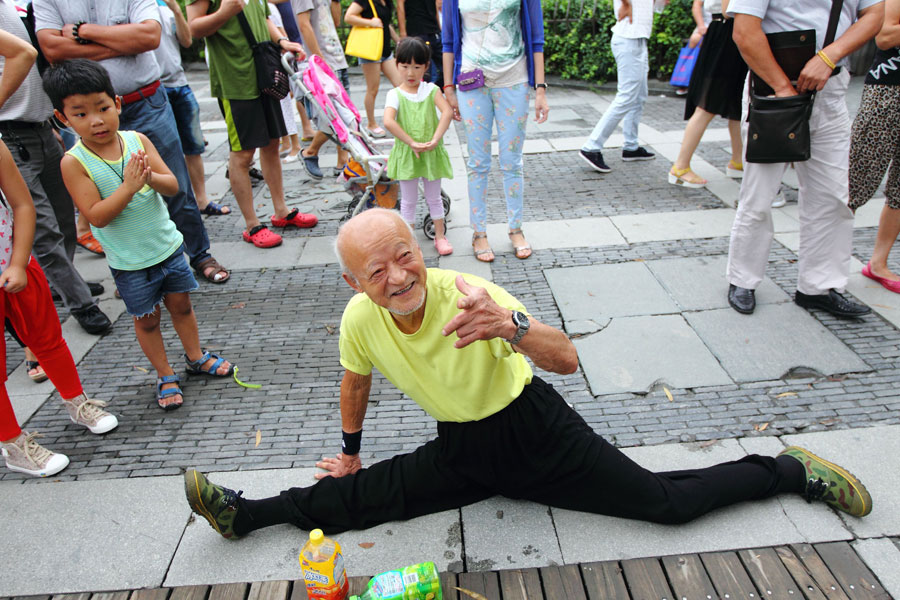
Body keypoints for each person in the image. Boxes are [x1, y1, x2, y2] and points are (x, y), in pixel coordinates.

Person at [183, 208, 872, 540]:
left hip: (538, 432)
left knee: (665, 504)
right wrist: (351, 453)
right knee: (366, 496)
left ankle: (788, 470)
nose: (398, 276)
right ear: (352, 282)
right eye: (377, 271)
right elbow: (355, 382)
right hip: (463, 447)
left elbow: (568, 360)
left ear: (418, 247)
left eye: (404, 255)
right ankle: (244, 515)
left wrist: (512, 329)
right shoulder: (360, 320)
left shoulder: (472, 295)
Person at [45, 59, 236, 410]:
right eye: (81, 114)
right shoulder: (74, 162)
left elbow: (173, 185)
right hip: (130, 262)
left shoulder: (137, 140)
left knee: (182, 305)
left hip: (166, 248)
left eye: (103, 108)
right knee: (147, 320)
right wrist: (130, 187)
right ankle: (165, 374)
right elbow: (96, 217)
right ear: (63, 119)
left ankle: (195, 357)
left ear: (117, 103)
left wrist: (146, 178)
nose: (97, 120)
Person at [34, 0, 232, 284]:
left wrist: (82, 32)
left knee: (174, 185)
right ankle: (135, 269)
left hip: (145, 102)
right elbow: (53, 49)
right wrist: (123, 43)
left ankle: (199, 254)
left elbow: (149, 37)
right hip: (86, 117)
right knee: (110, 195)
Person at [725, 0, 883, 317]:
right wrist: (784, 88)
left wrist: (829, 56)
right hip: (773, 88)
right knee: (759, 194)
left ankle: (819, 286)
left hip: (832, 85)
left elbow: (875, 14)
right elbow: (744, 31)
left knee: (833, 197)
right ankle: (743, 278)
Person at [0, 134, 118, 478]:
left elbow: (22, 205)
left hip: (13, 262)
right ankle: (13, 444)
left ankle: (76, 402)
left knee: (47, 339)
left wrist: (19, 262)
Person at [0, 10, 112, 335]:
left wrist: (49, 122)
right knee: (42, 226)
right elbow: (25, 54)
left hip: (40, 127)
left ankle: (64, 282)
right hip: (9, 133)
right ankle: (81, 304)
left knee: (64, 218)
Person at [186, 0, 318, 250]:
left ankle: (281, 211)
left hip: (264, 71)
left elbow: (264, 17)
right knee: (243, 153)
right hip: (235, 80)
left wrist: (281, 41)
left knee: (272, 143)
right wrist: (225, 12)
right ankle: (252, 225)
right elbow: (194, 27)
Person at [442, 0, 548, 262]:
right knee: (478, 163)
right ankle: (479, 233)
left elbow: (536, 39)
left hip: (514, 81)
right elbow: (448, 41)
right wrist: (447, 88)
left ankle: (516, 229)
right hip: (470, 83)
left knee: (512, 161)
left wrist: (541, 88)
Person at [155, 0, 230, 216]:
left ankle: (201, 200)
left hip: (178, 82)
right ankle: (169, 208)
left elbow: (187, 40)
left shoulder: (163, 5)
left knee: (194, 145)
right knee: (163, 149)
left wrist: (176, 10)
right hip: (154, 89)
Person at [383, 37, 453, 254]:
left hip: (431, 152)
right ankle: (409, 242)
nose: (410, 73)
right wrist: (410, 142)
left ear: (426, 66)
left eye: (416, 67)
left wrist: (436, 139)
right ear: (397, 65)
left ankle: (440, 236)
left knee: (434, 197)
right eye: (405, 67)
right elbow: (388, 120)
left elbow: (447, 112)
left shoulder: (431, 90)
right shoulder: (395, 94)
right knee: (409, 200)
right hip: (407, 153)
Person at [850, 0, 900, 293]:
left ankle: (878, 263)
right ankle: (825, 263)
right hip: (888, 91)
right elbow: (885, 36)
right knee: (855, 181)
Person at [668, 0, 746, 189]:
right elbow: (728, 11)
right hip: (728, 33)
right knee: (708, 104)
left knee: (736, 103)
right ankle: (680, 166)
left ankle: (738, 161)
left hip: (724, 31)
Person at [579, 0, 656, 174]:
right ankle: (592, 146)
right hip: (629, 38)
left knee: (639, 96)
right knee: (627, 97)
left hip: (638, 38)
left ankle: (631, 147)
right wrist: (626, 4)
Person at [291, 0, 351, 179]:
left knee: (344, 115)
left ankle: (343, 160)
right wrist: (321, 61)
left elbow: (335, 21)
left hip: (337, 58)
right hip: (322, 63)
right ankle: (310, 152)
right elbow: (304, 25)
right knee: (334, 117)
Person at [345, 0, 401, 137]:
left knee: (401, 85)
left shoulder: (385, 2)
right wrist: (370, 23)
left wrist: (398, 40)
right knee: (373, 89)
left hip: (385, 50)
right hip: (370, 50)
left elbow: (385, 23)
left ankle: (404, 119)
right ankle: (371, 124)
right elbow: (348, 17)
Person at [265, 2, 303, 164]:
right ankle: (287, 142)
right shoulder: (267, 7)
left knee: (284, 106)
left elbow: (282, 34)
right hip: (273, 61)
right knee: (280, 107)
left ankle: (295, 145)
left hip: (276, 63)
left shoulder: (270, 8)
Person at [397, 0, 443, 86]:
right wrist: (403, 33)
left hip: (433, 31)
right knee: (424, 70)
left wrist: (439, 29)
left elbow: (435, 5)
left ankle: (436, 94)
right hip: (417, 30)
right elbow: (400, 6)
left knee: (445, 68)